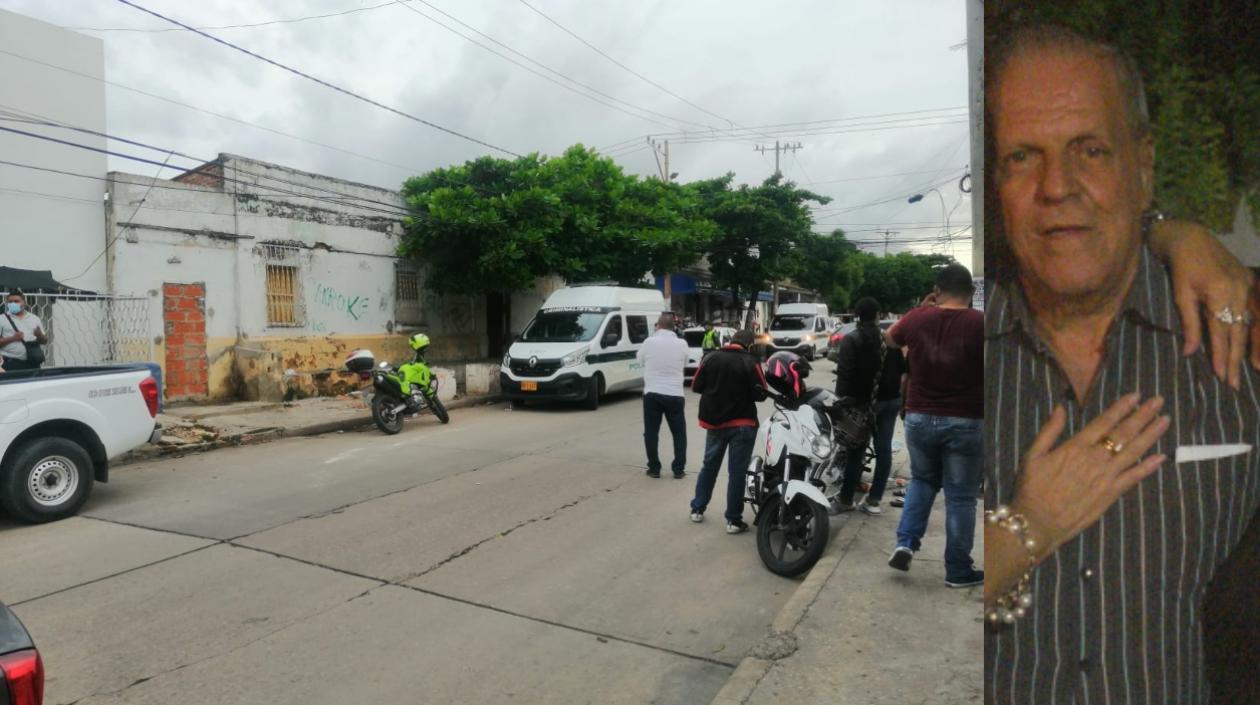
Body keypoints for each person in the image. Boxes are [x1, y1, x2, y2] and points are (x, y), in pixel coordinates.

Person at [984, 25, 1260, 704]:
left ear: (1143, 163)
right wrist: (1024, 529)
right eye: (1023, 156)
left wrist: (1177, 233)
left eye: (1090, 150)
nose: (1057, 186)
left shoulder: (1241, 340)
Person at [883, 265, 983, 587]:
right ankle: (957, 571)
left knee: (922, 481)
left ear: (937, 291)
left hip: (919, 418)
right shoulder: (981, 323)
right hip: (965, 419)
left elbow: (889, 337)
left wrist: (921, 319)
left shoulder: (916, 317)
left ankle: (905, 543)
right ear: (971, 293)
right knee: (961, 497)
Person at [688, 329, 768, 533]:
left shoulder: (710, 357)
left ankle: (697, 508)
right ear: (749, 345)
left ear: (730, 341)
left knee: (709, 466)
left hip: (714, 423)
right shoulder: (750, 361)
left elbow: (696, 386)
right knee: (737, 473)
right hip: (742, 423)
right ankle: (733, 520)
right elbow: (761, 394)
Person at [832, 297, 906, 515]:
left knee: (855, 452)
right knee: (884, 452)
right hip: (890, 402)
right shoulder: (889, 340)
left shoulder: (851, 340)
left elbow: (844, 377)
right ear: (878, 316)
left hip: (863, 405)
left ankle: (846, 500)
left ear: (857, 316)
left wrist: (842, 404)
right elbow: (903, 369)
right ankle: (873, 502)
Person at [637, 313, 689, 479]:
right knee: (679, 433)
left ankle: (654, 468)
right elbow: (686, 362)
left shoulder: (649, 342)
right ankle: (678, 469)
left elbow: (640, 360)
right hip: (675, 394)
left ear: (658, 326)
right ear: (674, 327)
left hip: (652, 393)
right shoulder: (682, 344)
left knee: (651, 432)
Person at [0, 290, 47, 371]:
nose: (13, 304)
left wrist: (39, 335)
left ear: (24, 303)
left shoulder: (34, 319)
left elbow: (44, 341)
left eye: (16, 301)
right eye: (10, 302)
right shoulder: (2, 319)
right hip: (10, 364)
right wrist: (12, 338)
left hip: (33, 363)